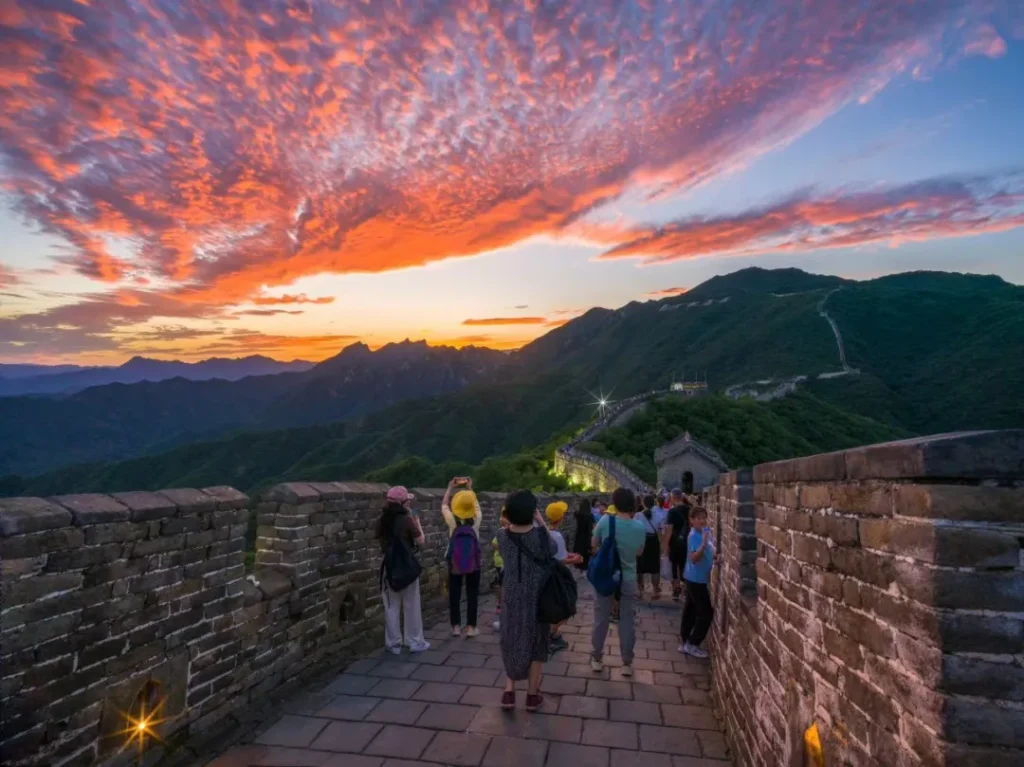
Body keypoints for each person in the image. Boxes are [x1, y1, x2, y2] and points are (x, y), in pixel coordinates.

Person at [497, 489, 557, 712]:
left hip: (511, 596)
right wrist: (541, 523)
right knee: (537, 642)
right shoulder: (540, 537)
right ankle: (532, 696)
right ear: (533, 512)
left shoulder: (501, 536)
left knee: (511, 638)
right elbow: (553, 549)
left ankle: (509, 690)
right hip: (536, 598)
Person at [590, 487, 646, 677]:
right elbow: (639, 552)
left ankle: (597, 658)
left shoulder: (606, 521)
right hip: (628, 578)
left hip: (606, 576)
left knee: (601, 618)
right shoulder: (639, 527)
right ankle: (627, 663)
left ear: (614, 503)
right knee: (627, 620)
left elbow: (594, 543)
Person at [376, 486, 430, 654]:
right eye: (408, 500)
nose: (409, 502)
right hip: (407, 567)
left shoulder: (381, 521)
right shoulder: (408, 519)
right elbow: (420, 542)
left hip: (389, 567)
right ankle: (414, 641)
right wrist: (417, 521)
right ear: (402, 502)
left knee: (391, 606)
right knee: (411, 605)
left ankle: (393, 644)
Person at [442, 477, 482, 637]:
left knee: (455, 592)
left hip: (454, 560)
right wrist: (470, 488)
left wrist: (450, 488)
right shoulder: (476, 519)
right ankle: (471, 627)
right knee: (472, 593)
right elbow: (476, 504)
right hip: (473, 560)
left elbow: (444, 505)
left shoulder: (452, 520)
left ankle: (456, 627)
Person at [544, 501, 582, 653]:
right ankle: (549, 636)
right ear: (560, 518)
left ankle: (551, 635)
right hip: (559, 577)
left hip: (547, 577)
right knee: (566, 607)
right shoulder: (557, 536)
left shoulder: (545, 532)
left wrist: (570, 555)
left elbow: (558, 554)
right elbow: (561, 560)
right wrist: (576, 560)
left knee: (553, 606)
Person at [679, 506, 715, 658]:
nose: (702, 520)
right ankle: (693, 644)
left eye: (704, 517)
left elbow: (709, 552)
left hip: (695, 577)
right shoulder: (694, 535)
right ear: (692, 521)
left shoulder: (704, 533)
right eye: (698, 518)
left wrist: (715, 558)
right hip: (695, 578)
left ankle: (685, 640)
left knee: (690, 610)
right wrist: (704, 543)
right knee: (706, 613)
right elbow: (694, 558)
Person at [662, 488, 691, 602]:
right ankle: (685, 590)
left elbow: (669, 530)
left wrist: (666, 545)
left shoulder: (672, 511)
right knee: (685, 565)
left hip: (674, 542)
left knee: (674, 566)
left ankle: (676, 590)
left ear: (673, 497)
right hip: (687, 541)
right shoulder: (689, 509)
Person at [636, 493, 664, 599]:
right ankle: (655, 590)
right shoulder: (659, 516)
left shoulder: (638, 515)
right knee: (654, 568)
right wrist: (662, 546)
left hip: (641, 541)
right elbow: (661, 532)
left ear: (643, 503)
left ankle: (640, 590)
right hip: (653, 542)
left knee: (639, 567)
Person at [491, 508, 509, 630]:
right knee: (501, 585)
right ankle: (500, 605)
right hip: (500, 563)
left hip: (507, 564)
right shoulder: (501, 532)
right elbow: (493, 544)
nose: (503, 519)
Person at [572, 498, 595, 570]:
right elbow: (591, 528)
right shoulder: (590, 516)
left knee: (578, 552)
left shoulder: (578, 515)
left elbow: (575, 512)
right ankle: (584, 569)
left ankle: (578, 567)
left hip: (579, 537)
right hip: (586, 537)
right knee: (586, 555)